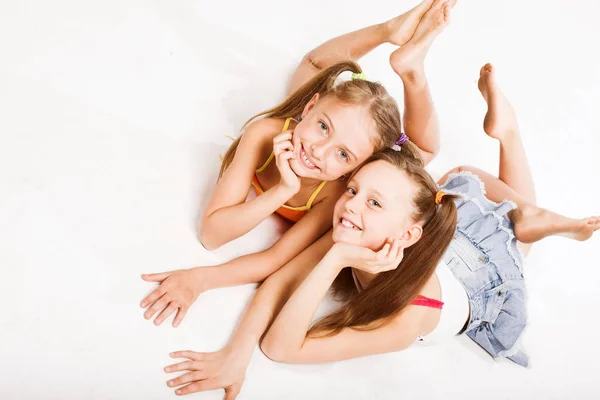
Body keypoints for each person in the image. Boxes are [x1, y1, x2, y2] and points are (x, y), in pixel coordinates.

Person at [160, 64, 599, 398]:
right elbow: (277, 281)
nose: (347, 205)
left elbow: (281, 347)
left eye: (370, 202)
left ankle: (520, 189)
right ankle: (514, 164)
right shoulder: (359, 226)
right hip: (441, 238)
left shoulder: (411, 316)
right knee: (465, 178)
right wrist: (233, 349)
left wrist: (334, 257)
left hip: (479, 280)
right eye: (352, 189)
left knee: (510, 238)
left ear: (410, 234)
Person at [140, 0, 455, 328]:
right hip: (304, 117)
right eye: (323, 127)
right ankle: (388, 30)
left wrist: (201, 280)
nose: (319, 151)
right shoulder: (265, 133)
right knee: (312, 66)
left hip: (352, 143)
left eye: (343, 154)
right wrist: (281, 191)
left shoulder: (335, 192)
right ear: (310, 108)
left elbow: (273, 259)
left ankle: (412, 71)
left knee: (421, 153)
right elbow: (212, 235)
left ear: (355, 169)